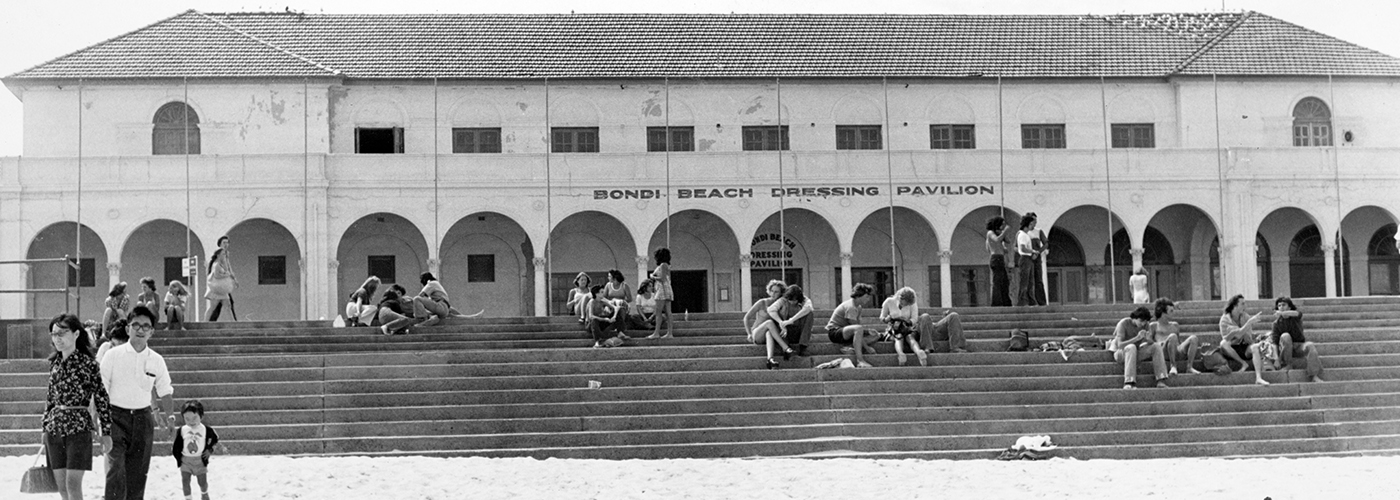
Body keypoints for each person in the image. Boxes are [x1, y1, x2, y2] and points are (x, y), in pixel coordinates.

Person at [100, 305, 177, 500]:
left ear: (152, 331)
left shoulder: (156, 360)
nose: (140, 330)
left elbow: (165, 390)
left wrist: (170, 417)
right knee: (115, 469)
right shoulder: (112, 356)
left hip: (143, 420)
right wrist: (101, 422)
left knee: (138, 473)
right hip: (115, 418)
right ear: (128, 329)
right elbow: (101, 390)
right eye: (136, 325)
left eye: (146, 326)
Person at [43, 314, 113, 500]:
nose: (57, 338)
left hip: (79, 428)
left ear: (75, 334)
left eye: (62, 333)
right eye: (54, 334)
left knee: (72, 484)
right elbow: (50, 398)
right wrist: (44, 426)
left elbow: (101, 398)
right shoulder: (55, 364)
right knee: (62, 488)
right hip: (54, 429)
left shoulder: (88, 364)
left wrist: (106, 431)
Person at [172, 400, 223, 500]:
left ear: (201, 416)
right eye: (187, 419)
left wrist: (210, 450)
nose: (191, 421)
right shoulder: (182, 430)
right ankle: (188, 498)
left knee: (202, 482)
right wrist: (178, 457)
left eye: (194, 418)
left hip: (200, 459)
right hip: (186, 460)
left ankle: (204, 493)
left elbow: (215, 439)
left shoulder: (206, 429)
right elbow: (177, 445)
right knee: (185, 481)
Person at [1218, 294, 1270, 385]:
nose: (1245, 306)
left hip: (1244, 345)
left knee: (1255, 347)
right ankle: (1243, 363)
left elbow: (1248, 337)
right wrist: (1248, 324)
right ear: (1235, 305)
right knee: (1223, 343)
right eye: (1242, 304)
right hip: (1231, 349)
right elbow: (1228, 338)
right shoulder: (1224, 320)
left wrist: (1242, 332)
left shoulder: (1245, 316)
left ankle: (1258, 377)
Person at [1112, 306, 1169, 389]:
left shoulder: (1146, 325)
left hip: (1136, 352)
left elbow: (1151, 342)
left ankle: (1161, 379)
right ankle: (1129, 382)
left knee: (1156, 346)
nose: (1142, 324)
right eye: (1141, 321)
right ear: (1134, 318)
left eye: (1145, 322)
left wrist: (1148, 339)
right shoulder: (1123, 324)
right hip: (1122, 353)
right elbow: (1120, 345)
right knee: (1131, 347)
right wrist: (1136, 338)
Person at [1271, 296, 1325, 382]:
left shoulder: (1295, 317)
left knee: (1310, 345)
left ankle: (1314, 375)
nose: (1281, 307)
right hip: (1285, 349)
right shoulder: (1276, 324)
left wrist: (1281, 313)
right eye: (1279, 305)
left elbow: (1298, 313)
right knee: (1285, 336)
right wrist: (1276, 359)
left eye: (1284, 305)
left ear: (1289, 307)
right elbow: (1274, 342)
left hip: (1298, 345)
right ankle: (1288, 364)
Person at [826, 283, 877, 367]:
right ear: (858, 296)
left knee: (876, 335)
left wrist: (868, 332)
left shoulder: (859, 307)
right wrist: (867, 348)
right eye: (866, 297)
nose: (868, 299)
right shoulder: (851, 307)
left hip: (848, 332)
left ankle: (850, 347)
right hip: (835, 332)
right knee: (859, 329)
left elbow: (858, 325)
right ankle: (860, 360)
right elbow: (857, 328)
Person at [764, 285, 814, 369]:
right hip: (785, 332)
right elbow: (770, 310)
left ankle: (803, 346)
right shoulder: (783, 300)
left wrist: (791, 320)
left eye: (795, 300)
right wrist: (781, 323)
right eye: (790, 300)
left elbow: (808, 308)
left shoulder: (805, 300)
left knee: (810, 314)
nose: (792, 302)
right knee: (775, 319)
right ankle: (786, 349)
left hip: (799, 330)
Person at [1149, 298, 1200, 376]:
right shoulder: (1154, 325)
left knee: (1194, 338)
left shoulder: (1175, 325)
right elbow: (1150, 342)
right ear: (1163, 313)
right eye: (1171, 311)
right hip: (1163, 351)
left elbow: (1178, 341)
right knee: (1172, 336)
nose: (1173, 313)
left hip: (1176, 349)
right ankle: (1173, 366)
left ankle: (1189, 367)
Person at [881, 287, 928, 367]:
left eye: (907, 304)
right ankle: (901, 354)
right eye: (904, 303)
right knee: (898, 336)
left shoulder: (913, 304)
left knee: (910, 337)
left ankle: (918, 352)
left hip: (907, 326)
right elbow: (882, 317)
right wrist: (886, 319)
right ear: (899, 297)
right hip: (893, 327)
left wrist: (907, 321)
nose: (905, 305)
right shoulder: (889, 301)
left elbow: (914, 319)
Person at [1016, 213, 1047, 306]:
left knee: (1037, 280)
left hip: (1035, 258)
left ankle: (1040, 301)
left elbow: (1045, 244)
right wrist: (1030, 251)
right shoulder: (1023, 234)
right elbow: (1018, 247)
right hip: (1027, 257)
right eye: (1033, 222)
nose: (1034, 224)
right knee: (1027, 281)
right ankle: (1026, 301)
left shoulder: (1038, 231)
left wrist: (1037, 252)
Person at [743, 279, 786, 347]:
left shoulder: (782, 304)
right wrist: (749, 333)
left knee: (769, 332)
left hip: (772, 334)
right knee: (769, 322)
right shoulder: (762, 302)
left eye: (776, 292)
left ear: (781, 293)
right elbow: (746, 317)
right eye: (772, 291)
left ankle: (770, 357)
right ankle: (785, 348)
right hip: (758, 333)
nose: (773, 294)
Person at [205, 236, 238, 322]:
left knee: (223, 305)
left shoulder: (226, 254)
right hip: (218, 285)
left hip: (223, 285)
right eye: (224, 243)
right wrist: (227, 275)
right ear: (220, 244)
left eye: (227, 243)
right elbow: (215, 272)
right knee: (218, 306)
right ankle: (208, 322)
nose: (226, 245)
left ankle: (233, 322)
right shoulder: (218, 255)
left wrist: (233, 279)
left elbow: (228, 267)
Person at [647, 247, 675, 339]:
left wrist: (653, 277)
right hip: (667, 289)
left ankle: (656, 333)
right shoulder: (666, 265)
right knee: (668, 312)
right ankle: (669, 333)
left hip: (661, 289)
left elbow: (662, 278)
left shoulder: (663, 265)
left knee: (658, 312)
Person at [986, 216, 1012, 307]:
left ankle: (1006, 301)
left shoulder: (999, 233)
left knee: (1004, 281)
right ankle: (996, 302)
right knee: (997, 281)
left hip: (1000, 258)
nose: (1003, 226)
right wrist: (1004, 232)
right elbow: (996, 241)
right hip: (995, 258)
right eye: (1002, 224)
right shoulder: (990, 233)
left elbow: (1008, 241)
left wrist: (1003, 234)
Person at [601, 269, 634, 337]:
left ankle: (620, 330)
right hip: (611, 305)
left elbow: (630, 298)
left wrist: (621, 301)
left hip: (622, 305)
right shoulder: (608, 285)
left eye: (609, 276)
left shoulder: (624, 286)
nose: (608, 278)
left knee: (621, 309)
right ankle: (618, 328)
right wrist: (611, 302)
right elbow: (603, 297)